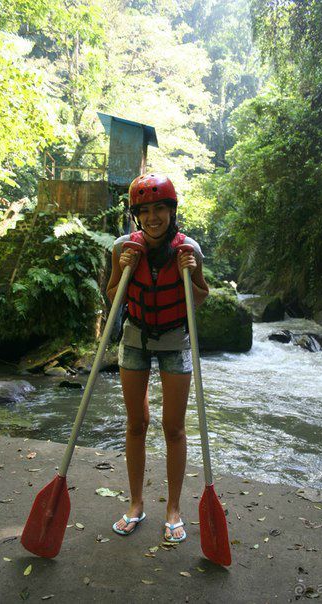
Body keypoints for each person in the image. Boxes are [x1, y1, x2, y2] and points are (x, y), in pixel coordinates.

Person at [106, 173, 209, 542]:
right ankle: (136, 504)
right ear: (137, 214)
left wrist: (193, 275)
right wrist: (126, 270)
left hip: (176, 340)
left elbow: (199, 298)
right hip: (134, 339)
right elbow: (113, 293)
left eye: (159, 209)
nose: (153, 217)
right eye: (145, 210)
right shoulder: (122, 247)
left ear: (171, 210)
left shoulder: (189, 249)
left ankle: (174, 509)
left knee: (174, 427)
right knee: (136, 423)